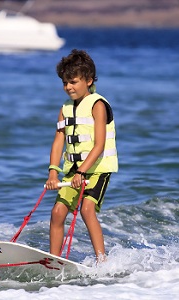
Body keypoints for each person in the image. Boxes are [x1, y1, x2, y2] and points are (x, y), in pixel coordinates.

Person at [45, 49, 118, 262]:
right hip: (73, 170)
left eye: (73, 82)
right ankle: (53, 261)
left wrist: (83, 171)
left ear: (88, 80)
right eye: (65, 83)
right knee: (58, 212)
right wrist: (53, 172)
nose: (68, 87)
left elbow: (100, 145)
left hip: (97, 169)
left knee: (87, 209)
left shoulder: (98, 105)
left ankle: (102, 261)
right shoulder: (65, 109)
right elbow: (59, 140)